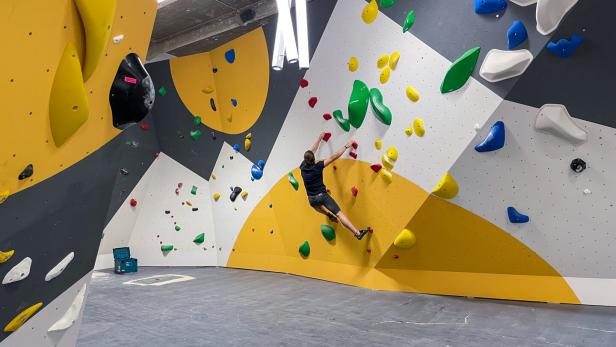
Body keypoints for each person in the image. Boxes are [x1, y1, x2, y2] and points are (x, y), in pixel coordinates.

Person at [300, 133, 371, 240]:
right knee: (339, 214)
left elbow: (312, 150)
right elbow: (334, 157)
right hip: (322, 196)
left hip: (312, 199)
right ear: (313, 159)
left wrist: (319, 138)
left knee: (315, 206)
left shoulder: (302, 168)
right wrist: (347, 146)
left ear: (305, 160)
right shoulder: (318, 166)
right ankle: (357, 233)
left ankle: (328, 215)